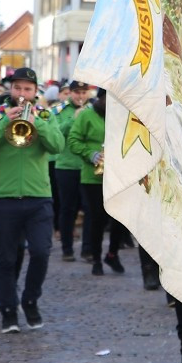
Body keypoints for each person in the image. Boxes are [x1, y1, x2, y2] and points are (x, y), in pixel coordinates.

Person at [0, 67, 64, 334]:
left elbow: (58, 146)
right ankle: (9, 310)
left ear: (35, 92)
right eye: (17, 88)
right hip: (5, 197)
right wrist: (4, 124)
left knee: (40, 252)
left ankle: (30, 299)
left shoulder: (46, 115)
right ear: (10, 90)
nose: (22, 94)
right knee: (5, 258)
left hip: (39, 197)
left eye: (27, 89)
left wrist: (40, 125)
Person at [68, 89, 129, 276]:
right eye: (108, 100)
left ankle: (112, 254)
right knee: (97, 219)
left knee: (119, 219)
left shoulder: (122, 115)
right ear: (101, 99)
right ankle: (96, 258)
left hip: (118, 175)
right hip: (93, 177)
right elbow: (73, 140)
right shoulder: (86, 115)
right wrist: (91, 154)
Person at [53, 81, 92, 262]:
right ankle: (67, 249)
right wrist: (74, 119)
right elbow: (56, 133)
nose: (81, 97)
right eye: (77, 93)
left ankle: (88, 249)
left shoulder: (93, 110)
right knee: (67, 209)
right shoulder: (59, 110)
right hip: (66, 166)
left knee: (89, 209)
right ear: (70, 93)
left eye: (84, 93)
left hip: (87, 167)